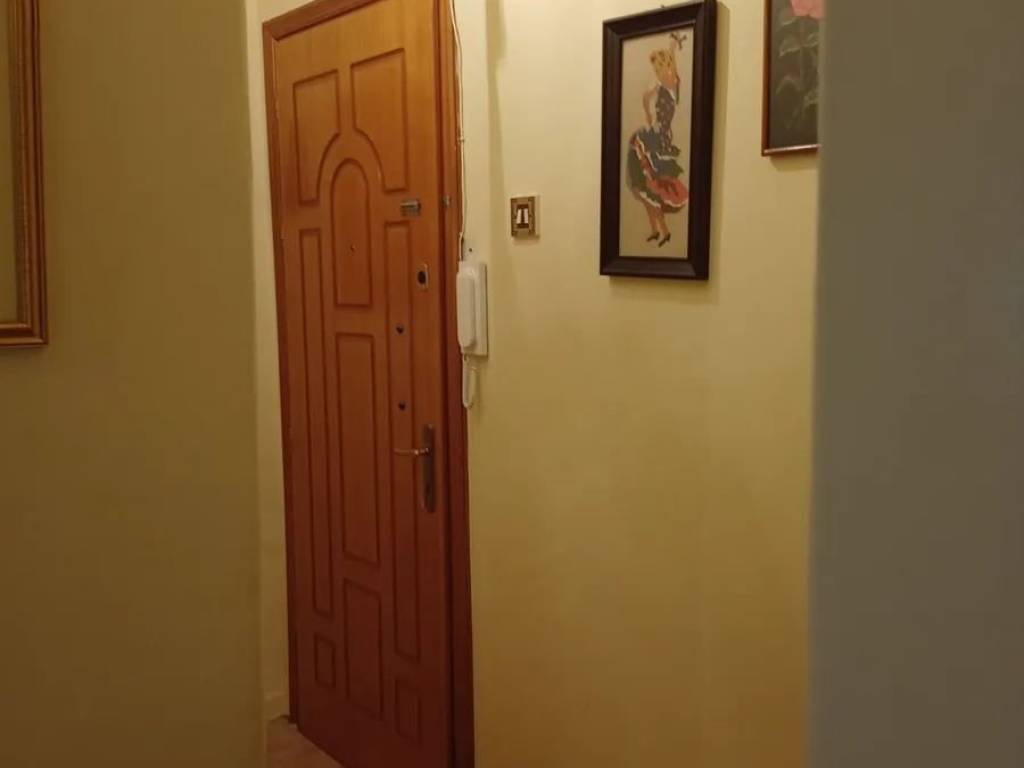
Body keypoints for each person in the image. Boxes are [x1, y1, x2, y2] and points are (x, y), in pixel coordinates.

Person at [626, 32, 689, 247]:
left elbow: (673, 73)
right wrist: (647, 114)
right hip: (654, 135)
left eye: (661, 67)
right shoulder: (662, 86)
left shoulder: (673, 85)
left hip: (661, 140)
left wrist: (672, 50)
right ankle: (655, 229)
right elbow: (646, 97)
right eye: (657, 69)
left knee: (653, 187)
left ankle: (663, 230)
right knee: (643, 187)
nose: (659, 72)